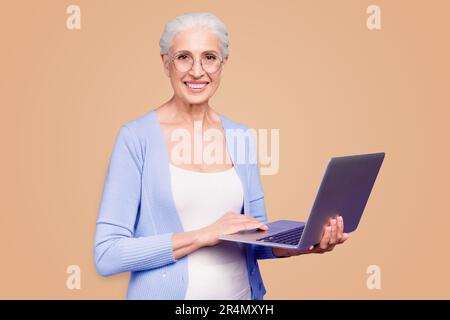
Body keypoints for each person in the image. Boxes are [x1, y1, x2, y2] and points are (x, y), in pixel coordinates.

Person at [94, 12, 349, 300]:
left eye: (209, 57)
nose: (197, 71)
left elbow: (255, 239)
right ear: (166, 63)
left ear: (223, 64)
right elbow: (108, 254)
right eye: (184, 57)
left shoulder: (240, 136)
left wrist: (303, 243)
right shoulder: (136, 137)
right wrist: (203, 235)